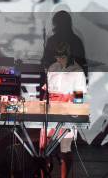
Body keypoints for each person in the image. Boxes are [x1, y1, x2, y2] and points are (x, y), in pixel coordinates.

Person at [42, 40, 87, 178]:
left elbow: (79, 96)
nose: (59, 59)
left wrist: (76, 112)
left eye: (62, 57)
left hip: (67, 114)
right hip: (51, 113)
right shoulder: (52, 68)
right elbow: (47, 91)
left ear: (68, 55)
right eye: (57, 57)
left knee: (65, 150)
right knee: (44, 150)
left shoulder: (77, 71)